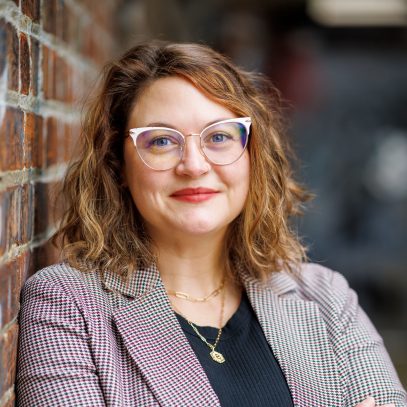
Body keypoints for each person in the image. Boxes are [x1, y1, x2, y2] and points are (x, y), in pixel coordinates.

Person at [16, 41, 406, 407]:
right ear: (117, 165)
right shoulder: (66, 306)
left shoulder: (325, 297)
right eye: (161, 141)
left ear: (252, 155)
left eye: (218, 136)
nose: (194, 165)